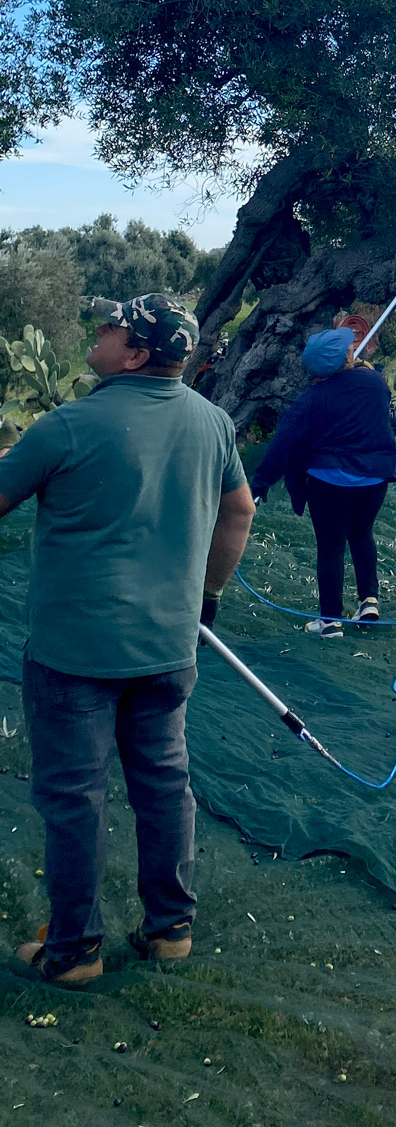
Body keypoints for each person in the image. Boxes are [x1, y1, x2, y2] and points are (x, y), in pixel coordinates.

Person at [0, 294, 254, 986]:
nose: (99, 332)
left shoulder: (66, 427)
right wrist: (207, 599)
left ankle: (75, 950)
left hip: (75, 653)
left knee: (75, 796)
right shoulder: (214, 423)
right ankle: (170, 930)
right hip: (170, 648)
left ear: (136, 353)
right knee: (165, 784)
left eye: (110, 328)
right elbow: (239, 511)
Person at [250, 326, 396, 639]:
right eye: (347, 350)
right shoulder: (373, 383)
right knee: (362, 534)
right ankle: (368, 600)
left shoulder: (312, 398)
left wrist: (260, 484)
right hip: (374, 479)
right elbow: (380, 393)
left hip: (329, 482)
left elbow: (283, 443)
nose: (351, 351)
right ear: (343, 358)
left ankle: (330, 621)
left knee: (330, 547)